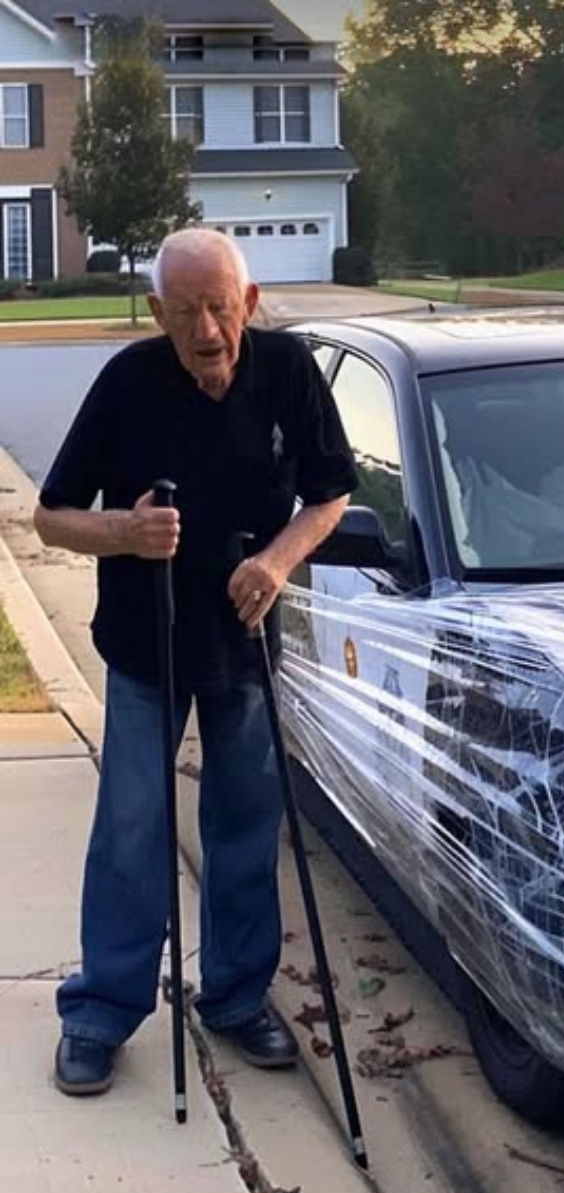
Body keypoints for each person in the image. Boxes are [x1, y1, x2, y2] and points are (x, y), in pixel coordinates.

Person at [34, 227, 359, 1096]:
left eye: (219, 308)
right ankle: (102, 1010)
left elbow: (330, 494)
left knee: (245, 825)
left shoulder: (287, 371)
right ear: (157, 312)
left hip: (244, 639)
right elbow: (51, 517)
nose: (206, 331)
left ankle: (236, 997)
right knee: (132, 826)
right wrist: (125, 532)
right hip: (147, 643)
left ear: (249, 303)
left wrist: (278, 561)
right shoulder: (128, 382)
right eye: (184, 312)